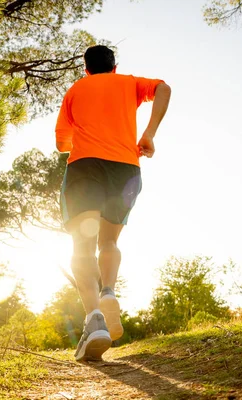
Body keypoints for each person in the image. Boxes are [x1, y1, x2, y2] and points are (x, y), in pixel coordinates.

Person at [55, 45, 171, 361]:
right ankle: (109, 290)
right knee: (109, 241)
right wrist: (148, 134)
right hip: (126, 169)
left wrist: (82, 133)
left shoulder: (76, 90)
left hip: (86, 166)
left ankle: (94, 319)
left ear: (86, 69)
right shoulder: (129, 83)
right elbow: (163, 88)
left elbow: (61, 143)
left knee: (82, 246)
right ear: (114, 67)